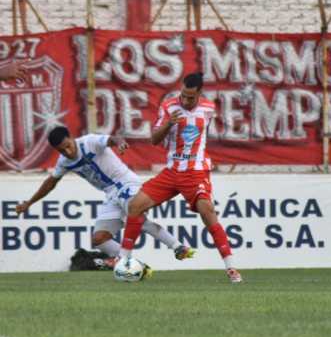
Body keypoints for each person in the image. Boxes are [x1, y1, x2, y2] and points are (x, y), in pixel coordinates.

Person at [118, 72, 242, 283]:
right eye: (183, 95)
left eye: (190, 97)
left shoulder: (209, 109)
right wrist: (168, 124)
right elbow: (154, 140)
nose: (185, 100)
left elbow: (199, 138)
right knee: (135, 205)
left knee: (207, 211)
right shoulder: (168, 107)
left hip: (195, 172)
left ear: (199, 94)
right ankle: (123, 261)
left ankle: (231, 268)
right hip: (172, 171)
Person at [15, 126, 195, 270]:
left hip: (126, 183)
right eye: (62, 151)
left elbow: (111, 139)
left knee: (136, 217)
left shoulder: (89, 142)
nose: (68, 152)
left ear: (71, 138)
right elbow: (50, 183)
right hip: (110, 194)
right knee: (99, 239)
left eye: (68, 145)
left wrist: (120, 143)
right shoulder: (64, 162)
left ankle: (178, 247)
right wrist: (29, 203)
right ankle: (133, 265)